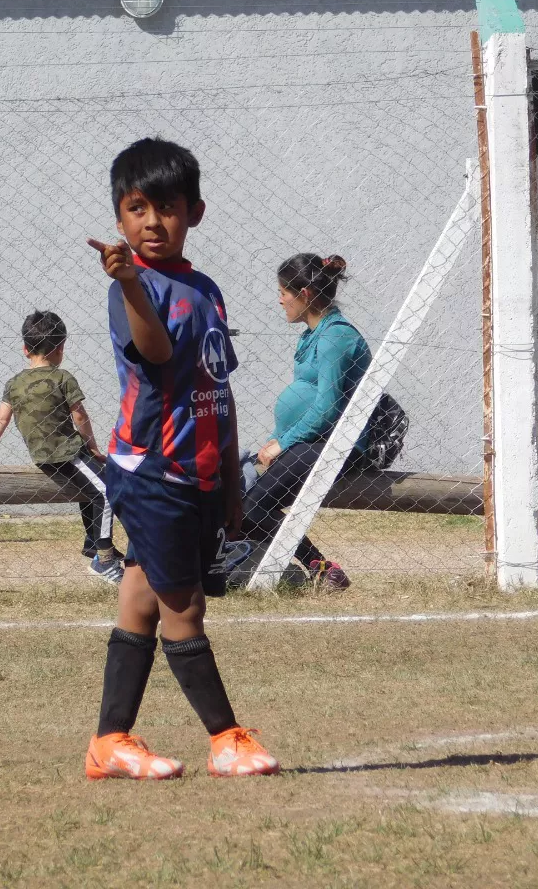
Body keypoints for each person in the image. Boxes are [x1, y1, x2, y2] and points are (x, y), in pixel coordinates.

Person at [83, 137, 279, 781]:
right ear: (119, 218)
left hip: (197, 470)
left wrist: (230, 485)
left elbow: (216, 388)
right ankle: (226, 739)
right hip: (152, 473)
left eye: (166, 208)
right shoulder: (131, 289)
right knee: (183, 609)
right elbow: (159, 354)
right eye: (136, 208)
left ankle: (109, 742)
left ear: (195, 211)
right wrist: (133, 286)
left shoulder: (207, 289)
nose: (151, 222)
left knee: (139, 596)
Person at [238, 253, 370, 590]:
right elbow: (305, 402)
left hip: (339, 444)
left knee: (252, 509)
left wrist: (283, 443)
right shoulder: (314, 334)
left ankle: (323, 568)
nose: (280, 298)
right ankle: (289, 568)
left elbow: (327, 409)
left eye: (284, 291)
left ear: (305, 295)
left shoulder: (334, 337)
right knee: (243, 503)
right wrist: (276, 440)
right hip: (311, 441)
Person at [0, 309, 122, 583]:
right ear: (61, 348)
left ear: (25, 349)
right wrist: (93, 447)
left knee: (92, 490)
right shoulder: (63, 378)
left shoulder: (14, 383)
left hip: (43, 456)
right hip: (69, 453)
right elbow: (80, 416)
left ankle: (92, 541)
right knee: (108, 492)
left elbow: (1, 418)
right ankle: (104, 560)